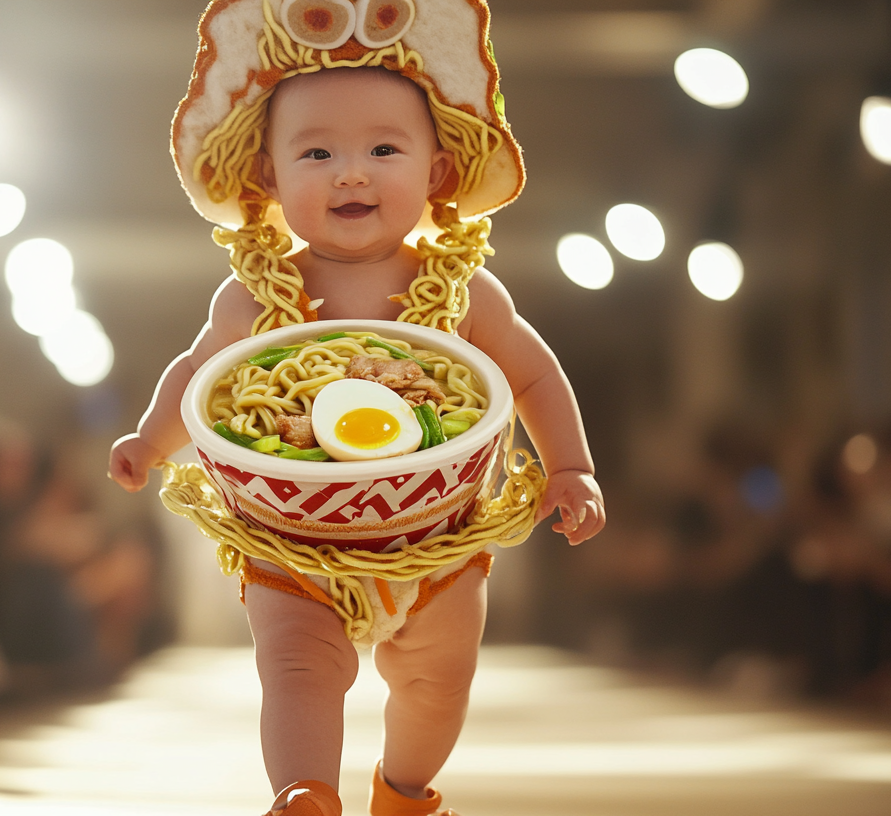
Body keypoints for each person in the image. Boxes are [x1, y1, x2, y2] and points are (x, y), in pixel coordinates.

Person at [109, 3, 604, 814]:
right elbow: (196, 375)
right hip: (292, 536)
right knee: (297, 668)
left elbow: (535, 377)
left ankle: (404, 788)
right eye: (317, 152)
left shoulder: (465, 293)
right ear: (267, 177)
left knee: (437, 681)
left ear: (438, 173)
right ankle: (302, 791)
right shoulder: (253, 298)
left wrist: (571, 466)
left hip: (435, 538)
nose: (352, 172)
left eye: (383, 148)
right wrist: (150, 440)